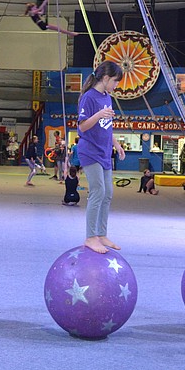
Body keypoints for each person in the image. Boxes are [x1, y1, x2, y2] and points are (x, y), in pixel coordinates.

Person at [77, 61, 126, 253]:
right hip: (90, 151)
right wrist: (98, 114)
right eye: (115, 81)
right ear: (105, 78)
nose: (116, 85)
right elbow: (82, 127)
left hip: (105, 152)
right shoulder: (89, 98)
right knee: (98, 191)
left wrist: (116, 145)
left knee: (108, 194)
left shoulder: (107, 97)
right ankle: (90, 236)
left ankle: (101, 233)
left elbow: (107, 127)